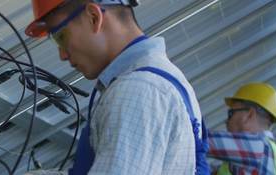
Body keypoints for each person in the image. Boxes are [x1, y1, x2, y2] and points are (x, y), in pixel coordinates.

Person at [24, 0, 209, 174]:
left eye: (61, 37)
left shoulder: (137, 90)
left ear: (93, 17)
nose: (62, 55)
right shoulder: (159, 78)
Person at [207, 83, 276, 175]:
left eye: (231, 114)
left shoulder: (259, 147)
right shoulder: (271, 151)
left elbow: (203, 140)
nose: (226, 121)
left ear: (249, 115)